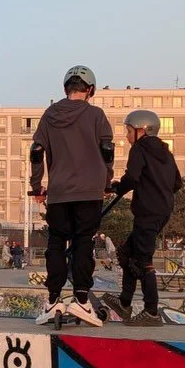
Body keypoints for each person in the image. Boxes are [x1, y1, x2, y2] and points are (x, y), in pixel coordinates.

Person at [29, 65, 114, 327]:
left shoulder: (50, 114)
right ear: (90, 90)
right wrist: (106, 182)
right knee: (82, 243)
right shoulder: (97, 115)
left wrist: (37, 186)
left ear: (66, 88)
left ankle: (53, 300)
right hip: (89, 192)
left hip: (59, 193)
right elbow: (107, 149)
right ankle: (81, 301)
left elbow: (36, 150)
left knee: (56, 243)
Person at [101, 110, 183, 327]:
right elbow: (177, 183)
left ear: (142, 130)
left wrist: (118, 186)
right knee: (128, 252)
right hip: (163, 210)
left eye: (129, 131)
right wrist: (157, 188)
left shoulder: (139, 148)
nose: (127, 137)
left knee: (142, 260)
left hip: (147, 211)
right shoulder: (165, 152)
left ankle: (151, 311)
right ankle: (124, 303)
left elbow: (133, 177)